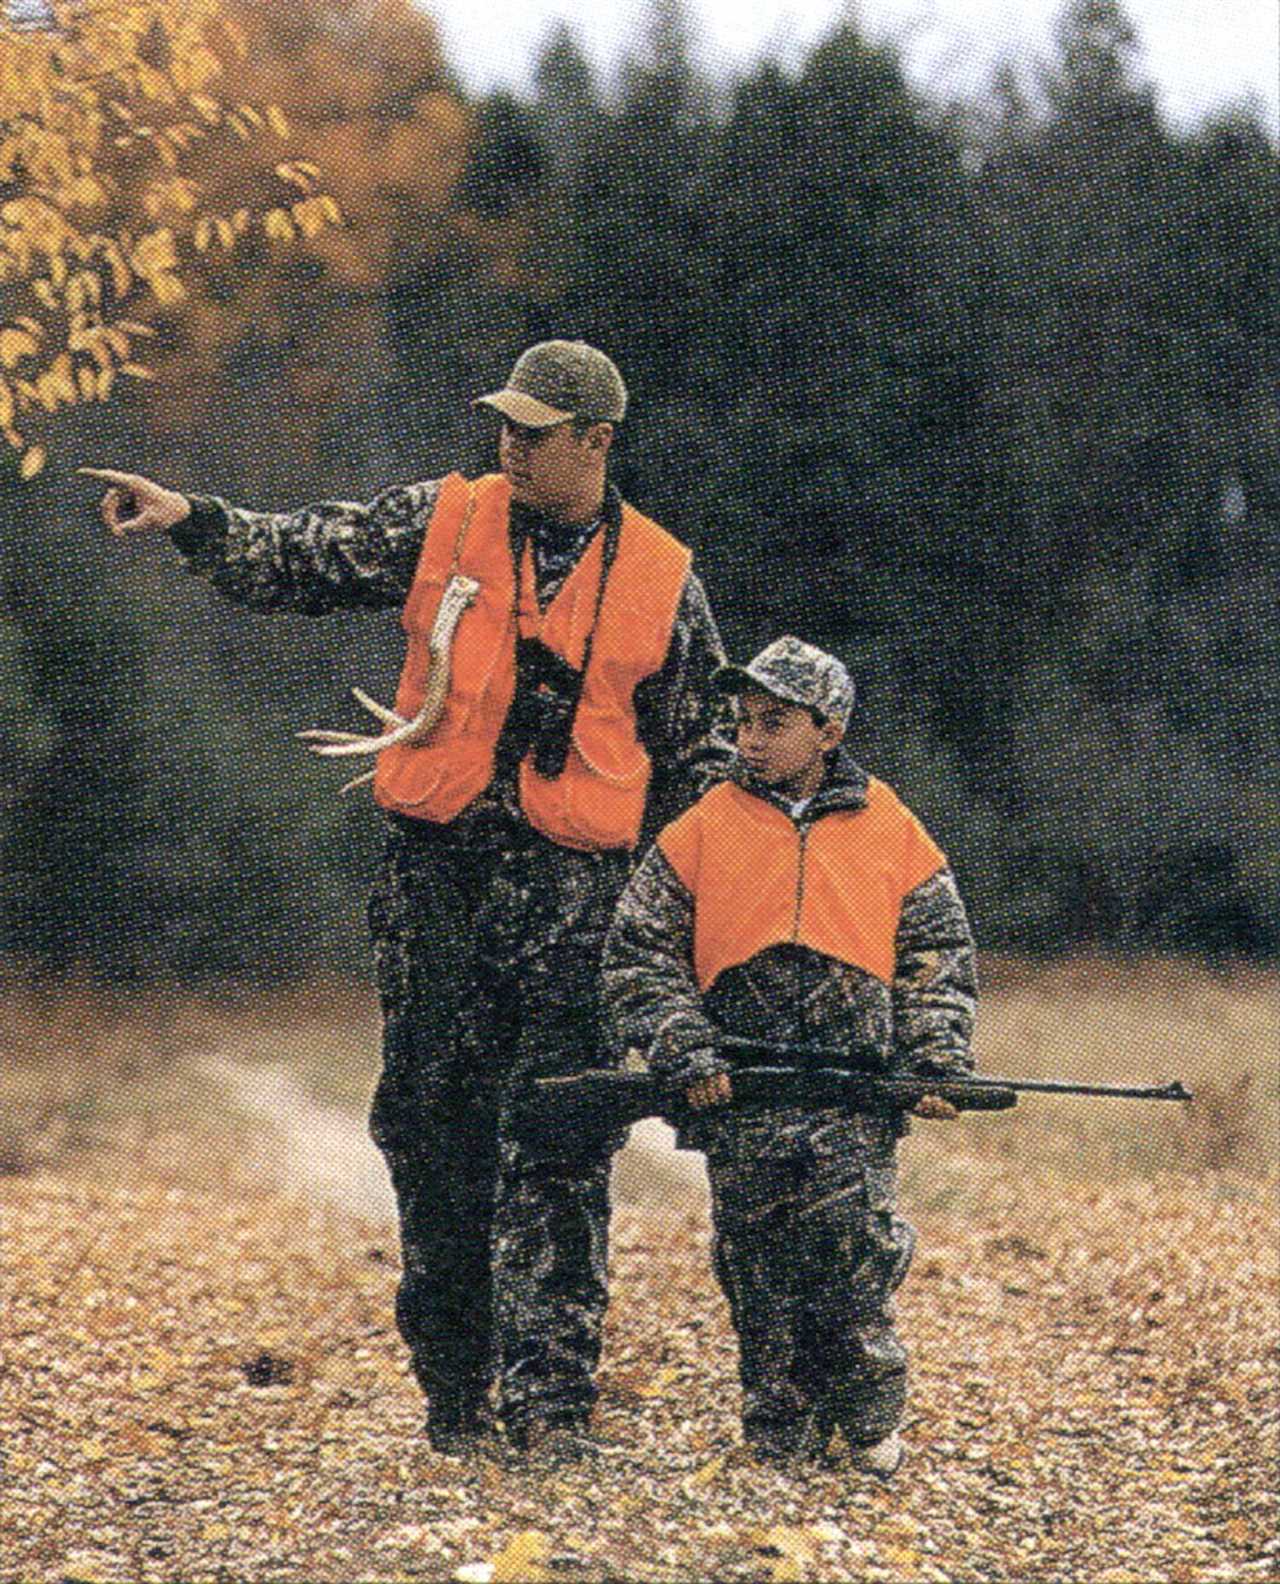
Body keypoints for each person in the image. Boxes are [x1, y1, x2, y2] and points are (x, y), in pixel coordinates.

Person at [84, 340, 729, 1461]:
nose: (511, 443)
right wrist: (190, 516)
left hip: (577, 906)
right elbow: (302, 554)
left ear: (597, 442)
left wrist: (675, 925)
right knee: (434, 1140)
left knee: (561, 1147)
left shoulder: (665, 580)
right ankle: (455, 1396)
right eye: (506, 423)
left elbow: (698, 764)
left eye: (536, 429)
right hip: (434, 891)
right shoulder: (447, 517)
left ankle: (550, 1411)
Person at [601, 635, 977, 1476]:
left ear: (830, 729)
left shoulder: (892, 828)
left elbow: (936, 956)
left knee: (852, 1255)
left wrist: (934, 1058)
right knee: (756, 1265)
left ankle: (868, 1419)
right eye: (743, 722)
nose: (751, 740)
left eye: (774, 723)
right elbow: (640, 951)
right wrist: (681, 1045)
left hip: (853, 1096)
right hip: (738, 1094)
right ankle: (777, 1435)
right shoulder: (701, 830)